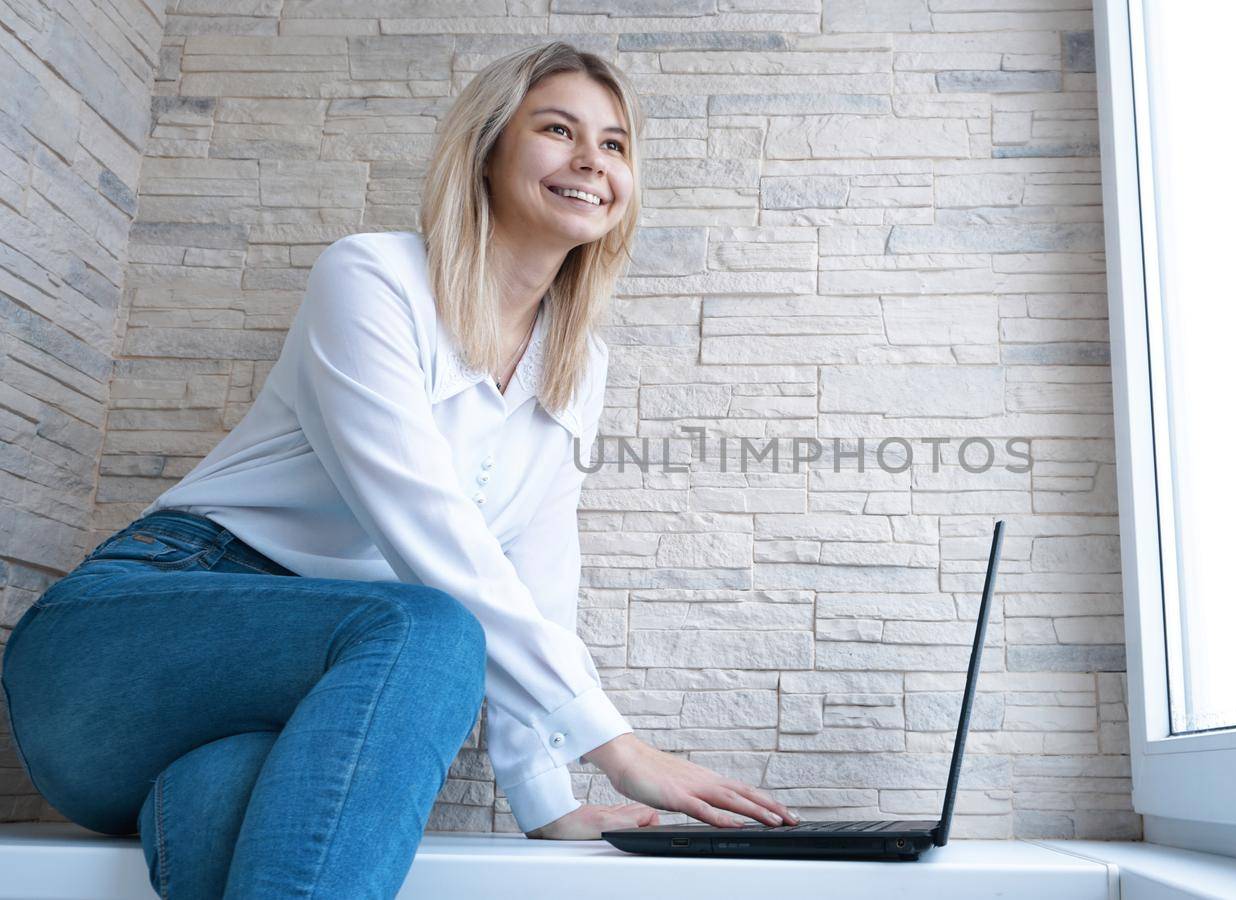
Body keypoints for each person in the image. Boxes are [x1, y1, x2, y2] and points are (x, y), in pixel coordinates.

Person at [0, 42, 795, 899]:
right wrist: (616, 746)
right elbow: (429, 536)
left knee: (236, 809)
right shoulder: (373, 278)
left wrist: (547, 797)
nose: (590, 162)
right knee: (431, 626)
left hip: (245, 727)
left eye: (614, 144)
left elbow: (537, 578)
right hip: (118, 652)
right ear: (487, 151)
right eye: (558, 130)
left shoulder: (576, 362)